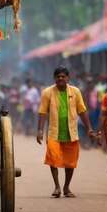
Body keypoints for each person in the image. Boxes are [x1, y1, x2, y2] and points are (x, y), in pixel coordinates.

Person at [36, 66, 95, 198]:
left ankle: (66, 187)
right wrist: (40, 130)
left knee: (70, 162)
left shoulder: (75, 92)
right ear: (54, 78)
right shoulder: (47, 92)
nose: (61, 79)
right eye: (58, 77)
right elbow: (42, 111)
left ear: (68, 78)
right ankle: (57, 187)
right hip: (53, 133)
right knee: (53, 159)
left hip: (71, 132)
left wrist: (89, 129)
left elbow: (82, 111)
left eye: (63, 76)